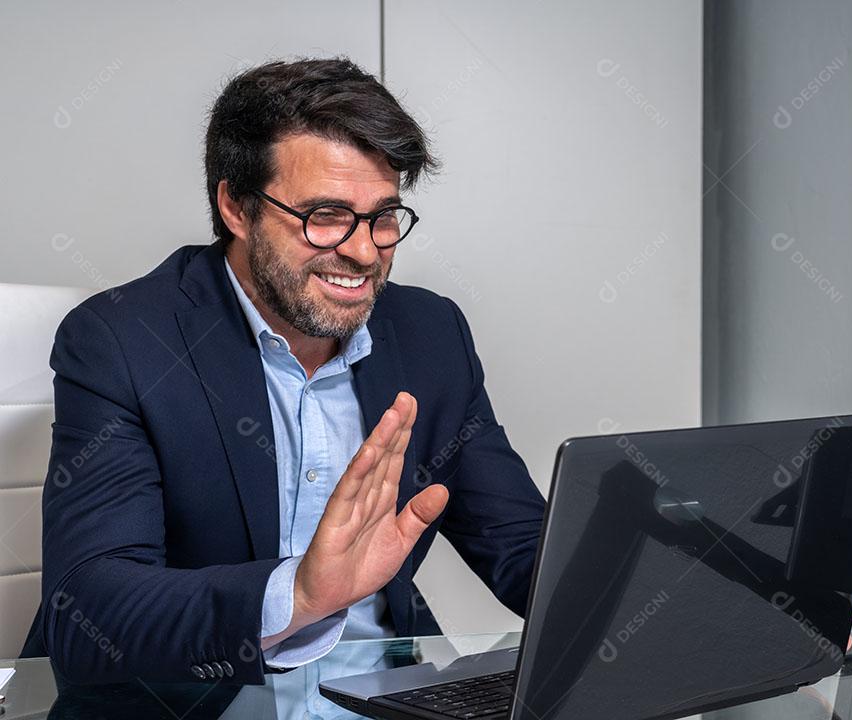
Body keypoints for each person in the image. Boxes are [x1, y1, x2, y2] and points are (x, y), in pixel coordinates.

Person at [20, 57, 547, 685]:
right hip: (195, 698)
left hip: (385, 691)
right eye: (325, 216)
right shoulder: (122, 341)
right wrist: (298, 595)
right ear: (237, 208)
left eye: (383, 216)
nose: (363, 251)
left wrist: (656, 574)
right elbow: (89, 610)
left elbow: (521, 548)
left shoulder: (431, 333)